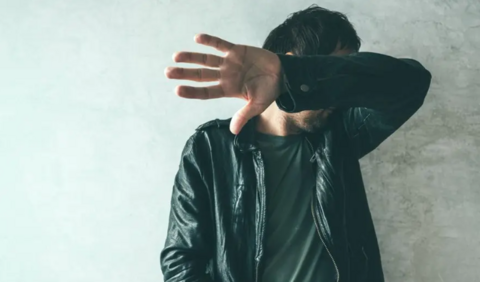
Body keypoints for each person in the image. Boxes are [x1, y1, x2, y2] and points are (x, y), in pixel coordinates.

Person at [160, 5, 432, 282]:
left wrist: (295, 71)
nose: (337, 97)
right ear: (290, 64)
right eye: (326, 76)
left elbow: (413, 83)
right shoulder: (208, 147)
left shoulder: (341, 135)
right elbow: (182, 262)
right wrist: (291, 77)